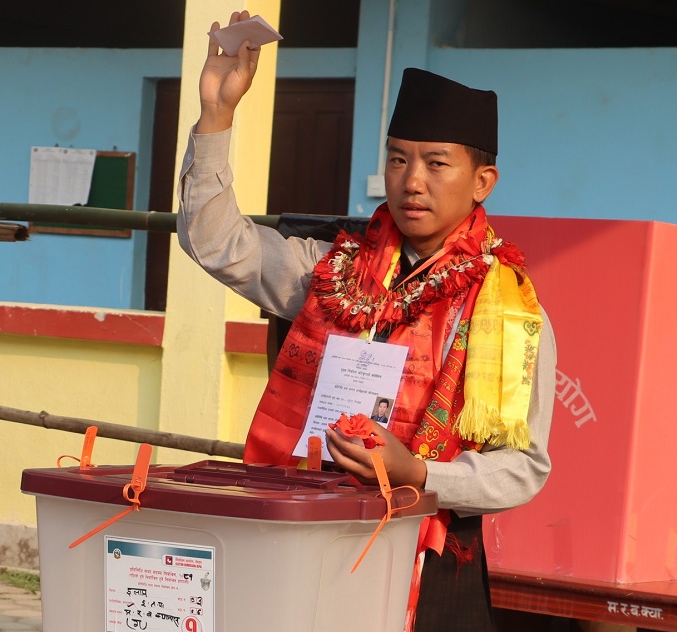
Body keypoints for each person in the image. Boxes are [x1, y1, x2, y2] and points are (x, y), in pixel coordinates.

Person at [177, 11, 556, 631]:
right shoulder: (329, 270)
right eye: (399, 159)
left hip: (430, 564)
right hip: (307, 541)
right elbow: (217, 243)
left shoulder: (507, 308)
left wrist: (421, 474)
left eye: (437, 164)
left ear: (482, 181)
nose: (412, 182)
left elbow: (523, 466)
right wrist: (217, 116)